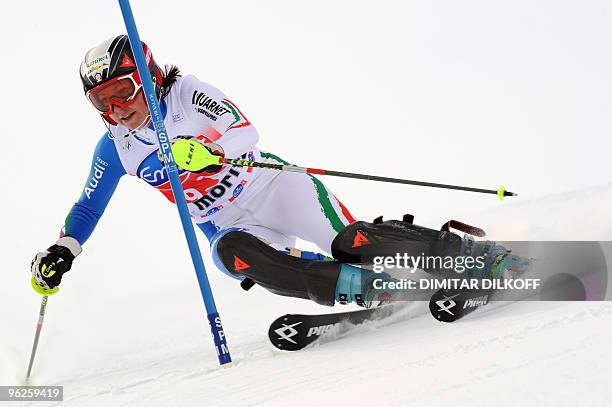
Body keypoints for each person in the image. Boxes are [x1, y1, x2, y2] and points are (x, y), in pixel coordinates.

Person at [30, 35, 526, 308]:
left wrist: (207, 148)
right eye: (102, 101)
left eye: (123, 92)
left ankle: (470, 255)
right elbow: (88, 204)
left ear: (149, 75)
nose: (116, 109)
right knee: (232, 256)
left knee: (349, 241)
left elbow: (246, 132)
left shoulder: (187, 93)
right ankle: (361, 288)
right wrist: (62, 250)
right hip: (231, 221)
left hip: (274, 187)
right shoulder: (114, 147)